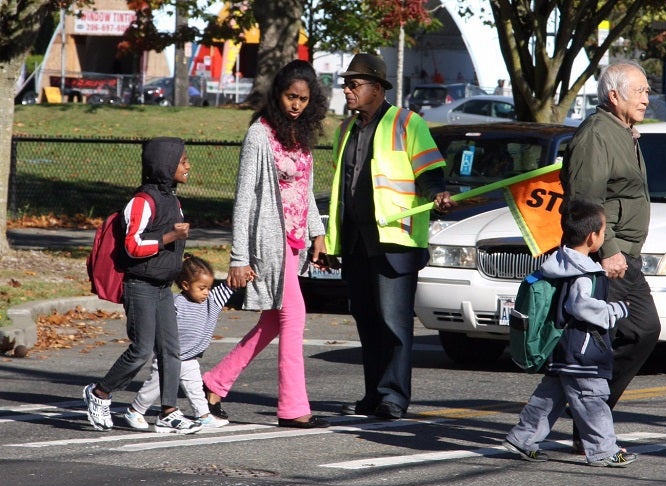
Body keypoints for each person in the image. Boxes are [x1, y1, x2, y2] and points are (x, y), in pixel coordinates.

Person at [202, 59, 331, 429]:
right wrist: (239, 257)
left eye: (304, 99)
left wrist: (317, 233)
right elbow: (244, 198)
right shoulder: (260, 134)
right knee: (294, 314)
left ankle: (215, 383)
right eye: (291, 97)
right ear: (277, 94)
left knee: (274, 320)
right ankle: (292, 407)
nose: (296, 105)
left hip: (295, 242)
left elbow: (304, 190)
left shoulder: (300, 133)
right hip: (266, 242)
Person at [327, 53, 455, 420]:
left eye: (355, 85)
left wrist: (436, 196)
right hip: (355, 241)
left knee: (394, 325)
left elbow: (430, 173)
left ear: (377, 89)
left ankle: (394, 397)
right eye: (346, 85)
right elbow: (340, 187)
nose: (348, 91)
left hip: (395, 241)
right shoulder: (344, 130)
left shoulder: (406, 123)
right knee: (367, 323)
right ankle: (373, 395)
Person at [560, 61, 662, 450]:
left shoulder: (622, 132)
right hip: (608, 258)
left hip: (625, 256)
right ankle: (587, 419)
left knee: (636, 332)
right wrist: (609, 250)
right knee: (629, 332)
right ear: (614, 95)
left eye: (648, 91)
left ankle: (586, 415)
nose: (647, 99)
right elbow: (585, 202)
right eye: (640, 92)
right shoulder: (596, 135)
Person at [83, 137, 202, 434]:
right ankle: (99, 393)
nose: (188, 166)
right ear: (164, 165)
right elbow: (132, 247)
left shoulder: (173, 201)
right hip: (140, 286)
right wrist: (168, 239)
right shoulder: (141, 202)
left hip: (163, 288)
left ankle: (169, 411)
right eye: (182, 160)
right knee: (141, 350)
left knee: (172, 351)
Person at [503, 200, 635, 467]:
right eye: (603, 231)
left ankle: (523, 438)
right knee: (593, 399)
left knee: (550, 397)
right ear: (592, 237)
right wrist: (614, 310)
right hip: (583, 350)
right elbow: (579, 305)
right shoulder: (586, 272)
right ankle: (603, 450)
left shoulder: (558, 263)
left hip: (558, 345)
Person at [123, 255, 234, 429]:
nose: (206, 292)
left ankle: (204, 415)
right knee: (155, 386)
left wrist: (239, 277)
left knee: (196, 387)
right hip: (169, 357)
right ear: (185, 286)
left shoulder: (212, 301)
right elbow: (160, 325)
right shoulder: (175, 304)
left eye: (209, 287)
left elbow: (228, 287)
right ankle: (135, 410)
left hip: (189, 358)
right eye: (202, 288)